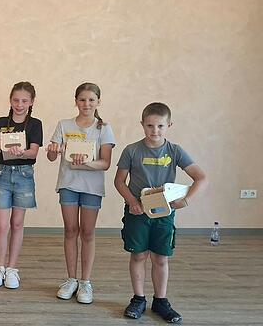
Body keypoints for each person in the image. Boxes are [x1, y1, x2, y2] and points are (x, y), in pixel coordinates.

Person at [114, 102, 207, 323]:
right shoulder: (132, 150)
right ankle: (138, 299)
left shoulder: (175, 151)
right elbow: (119, 181)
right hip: (137, 213)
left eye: (160, 126)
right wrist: (132, 202)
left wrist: (185, 200)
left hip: (164, 213)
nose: (154, 131)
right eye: (149, 126)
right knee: (138, 255)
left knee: (161, 257)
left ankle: (161, 301)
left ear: (169, 125)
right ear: (142, 125)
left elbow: (201, 177)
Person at [47, 83, 115, 303]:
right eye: (82, 100)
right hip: (68, 183)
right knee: (70, 230)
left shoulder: (103, 128)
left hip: (92, 188)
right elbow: (51, 157)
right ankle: (71, 279)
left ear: (98, 102)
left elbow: (105, 163)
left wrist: (84, 164)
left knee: (87, 233)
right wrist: (52, 151)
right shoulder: (64, 125)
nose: (86, 104)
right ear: (75, 101)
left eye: (91, 100)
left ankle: (85, 282)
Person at [0, 82, 42, 289]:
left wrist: (21, 152)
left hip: (24, 176)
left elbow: (34, 152)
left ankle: (12, 268)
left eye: (24, 101)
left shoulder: (35, 124)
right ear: (10, 100)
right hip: (2, 174)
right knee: (2, 225)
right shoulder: (1, 122)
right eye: (16, 100)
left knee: (17, 224)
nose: (19, 104)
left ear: (31, 102)